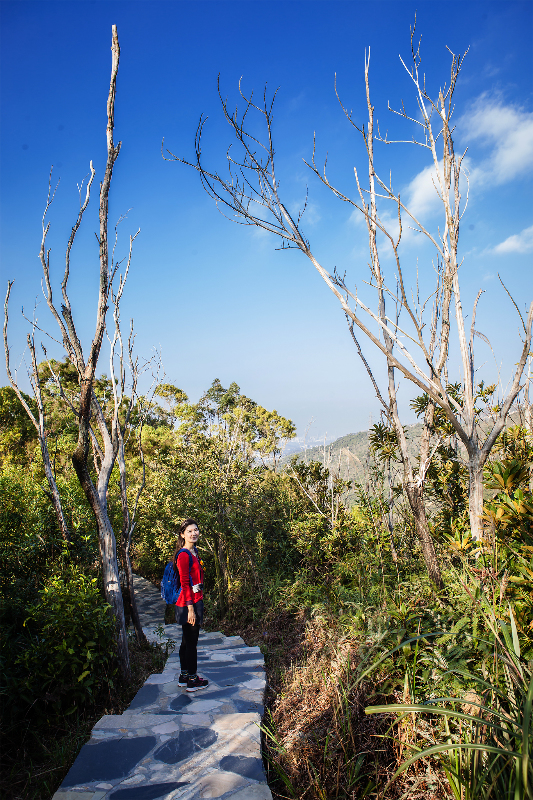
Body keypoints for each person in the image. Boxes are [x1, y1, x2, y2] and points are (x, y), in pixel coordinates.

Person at [173, 518, 209, 692]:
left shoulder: (194, 553)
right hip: (190, 603)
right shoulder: (183, 555)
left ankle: (184, 675)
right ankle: (192, 680)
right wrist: (191, 609)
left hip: (194, 600)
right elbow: (185, 583)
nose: (194, 533)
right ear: (182, 534)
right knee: (191, 643)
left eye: (196, 530)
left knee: (186, 641)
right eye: (189, 531)